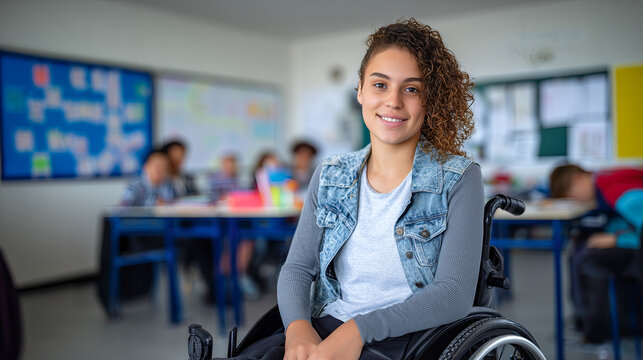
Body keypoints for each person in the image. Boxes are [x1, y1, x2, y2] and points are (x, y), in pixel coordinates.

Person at [217, 18, 483, 359]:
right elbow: (298, 269)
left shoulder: (459, 178)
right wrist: (299, 329)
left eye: (412, 88)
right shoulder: (330, 174)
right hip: (329, 325)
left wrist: (359, 331)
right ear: (360, 91)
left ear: (429, 100)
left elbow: (453, 294)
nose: (394, 101)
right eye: (380, 85)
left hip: (412, 339)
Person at [549, 164, 643, 342]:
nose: (576, 201)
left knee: (589, 260)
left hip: (635, 246)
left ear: (578, 179)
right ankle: (585, 322)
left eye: (572, 196)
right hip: (628, 236)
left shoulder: (617, 191)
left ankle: (600, 331)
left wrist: (617, 240)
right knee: (581, 247)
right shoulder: (605, 183)